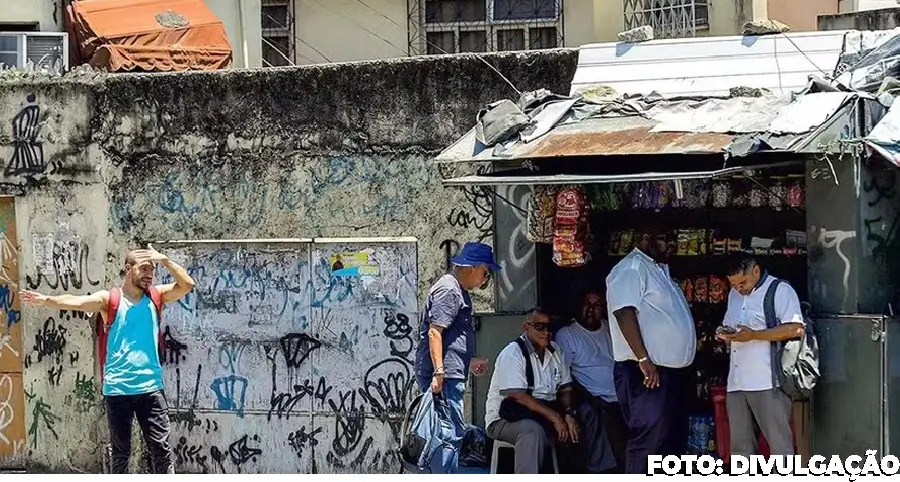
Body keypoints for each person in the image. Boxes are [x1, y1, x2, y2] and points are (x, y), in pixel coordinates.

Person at [19, 245, 195, 474]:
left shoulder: (156, 296)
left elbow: (187, 285)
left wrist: (165, 260)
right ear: (128, 269)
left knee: (160, 449)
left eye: (152, 270)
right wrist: (46, 300)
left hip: (151, 388)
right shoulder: (109, 299)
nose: (149, 274)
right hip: (118, 389)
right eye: (144, 269)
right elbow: (76, 302)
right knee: (121, 453)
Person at [606, 228, 696, 474]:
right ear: (645, 238)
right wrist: (643, 359)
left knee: (671, 444)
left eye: (674, 239)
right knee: (649, 442)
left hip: (670, 373)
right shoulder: (632, 268)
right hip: (646, 372)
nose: (673, 244)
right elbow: (624, 312)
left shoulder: (659, 270)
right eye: (666, 238)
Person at [413, 241, 500, 473]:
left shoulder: (456, 290)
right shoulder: (449, 290)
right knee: (446, 434)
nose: (485, 279)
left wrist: (467, 362)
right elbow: (435, 332)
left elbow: (449, 339)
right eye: (485, 272)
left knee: (449, 433)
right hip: (444, 376)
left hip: (450, 372)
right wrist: (440, 371)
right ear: (474, 267)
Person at [717, 253, 804, 457]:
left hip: (768, 380)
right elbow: (730, 323)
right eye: (734, 284)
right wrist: (724, 333)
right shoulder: (734, 295)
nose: (739, 288)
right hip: (737, 381)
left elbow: (796, 328)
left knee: (779, 447)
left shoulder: (780, 290)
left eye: (743, 282)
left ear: (756, 270)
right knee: (740, 448)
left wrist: (755, 335)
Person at [484, 308, 580, 474]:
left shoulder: (556, 351)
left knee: (582, 423)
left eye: (549, 327)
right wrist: (556, 417)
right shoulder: (513, 353)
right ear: (526, 327)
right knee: (531, 431)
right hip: (504, 419)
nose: (546, 332)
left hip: (542, 414)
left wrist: (569, 414)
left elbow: (566, 388)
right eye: (539, 327)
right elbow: (519, 397)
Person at [554, 290, 626, 473]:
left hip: (619, 394)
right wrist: (590, 398)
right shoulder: (567, 334)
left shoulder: (610, 328)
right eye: (587, 303)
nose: (591, 309)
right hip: (589, 396)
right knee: (594, 415)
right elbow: (564, 376)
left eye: (597, 305)